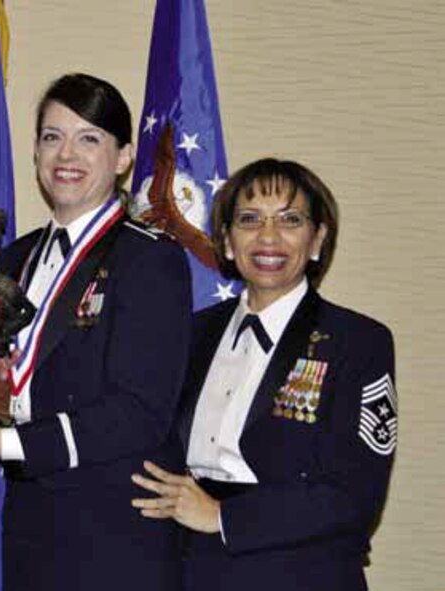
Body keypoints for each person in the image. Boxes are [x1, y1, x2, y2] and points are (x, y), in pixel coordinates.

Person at [0, 73, 192, 590]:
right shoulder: (16, 257)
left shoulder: (150, 259)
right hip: (33, 528)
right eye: (52, 137)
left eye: (89, 138)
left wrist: (10, 444)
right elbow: (7, 372)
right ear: (34, 153)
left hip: (115, 538)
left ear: (124, 157)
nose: (66, 154)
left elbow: (140, 411)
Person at [131, 159, 397, 591]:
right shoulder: (190, 335)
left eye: (290, 220)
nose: (268, 237)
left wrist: (222, 516)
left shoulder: (358, 342)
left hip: (300, 572)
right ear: (228, 242)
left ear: (318, 240)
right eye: (249, 220)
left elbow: (354, 497)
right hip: (187, 569)